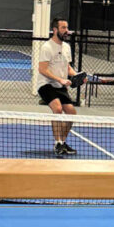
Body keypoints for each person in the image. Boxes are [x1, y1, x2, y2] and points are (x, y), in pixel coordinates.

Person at [37, 18, 79, 157]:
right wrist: (60, 79)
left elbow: (67, 68)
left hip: (60, 85)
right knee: (58, 109)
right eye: (63, 28)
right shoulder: (47, 47)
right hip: (46, 84)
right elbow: (42, 69)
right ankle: (57, 143)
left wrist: (77, 75)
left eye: (67, 28)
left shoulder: (67, 47)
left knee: (72, 113)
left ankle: (63, 143)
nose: (66, 31)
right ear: (55, 30)